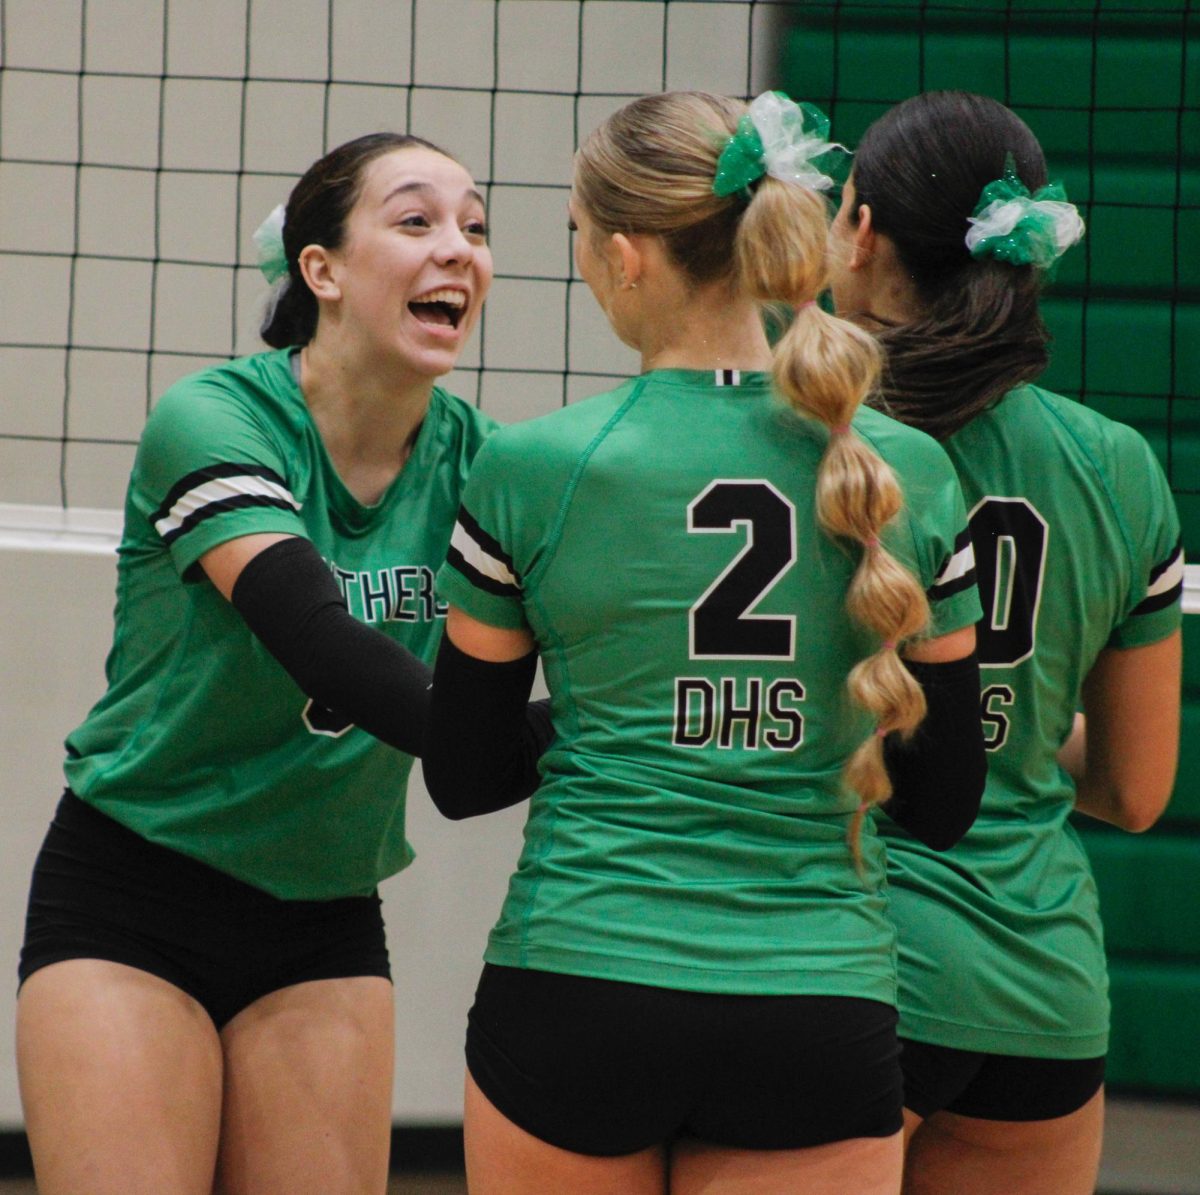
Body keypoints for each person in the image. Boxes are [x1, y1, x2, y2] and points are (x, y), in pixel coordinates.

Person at [422, 90, 987, 1195]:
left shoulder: (534, 467)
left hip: (582, 981)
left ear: (629, 257)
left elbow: (464, 772)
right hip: (817, 1000)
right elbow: (947, 795)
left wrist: (628, 725)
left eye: (578, 237)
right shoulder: (902, 468)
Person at [16, 131, 546, 1195]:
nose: (459, 250)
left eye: (477, 228)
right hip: (132, 892)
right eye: (416, 221)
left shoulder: (491, 468)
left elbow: (510, 737)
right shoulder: (215, 420)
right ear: (323, 270)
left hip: (324, 912)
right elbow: (321, 644)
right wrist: (588, 731)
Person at [828, 90, 1184, 1195]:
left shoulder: (822, 443)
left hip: (856, 956)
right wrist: (1017, 730)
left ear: (864, 233)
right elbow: (1134, 790)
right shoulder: (1119, 465)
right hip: (1044, 990)